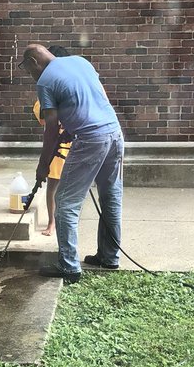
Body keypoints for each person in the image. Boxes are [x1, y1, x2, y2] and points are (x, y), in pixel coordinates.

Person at [21, 43, 124, 283]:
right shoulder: (81, 62)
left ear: (34, 62)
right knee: (111, 197)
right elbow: (98, 99)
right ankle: (109, 257)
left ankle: (68, 266)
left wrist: (43, 164)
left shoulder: (45, 81)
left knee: (65, 201)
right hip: (114, 133)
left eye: (28, 70)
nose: (31, 75)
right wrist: (70, 129)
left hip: (90, 140)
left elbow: (50, 127)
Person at [31, 44, 72, 236]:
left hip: (71, 143)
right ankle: (52, 223)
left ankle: (63, 222)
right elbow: (40, 115)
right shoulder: (46, 91)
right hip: (55, 145)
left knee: (69, 187)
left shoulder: (67, 88)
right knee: (53, 185)